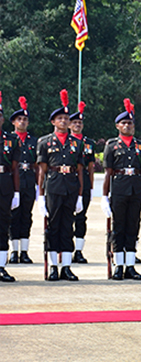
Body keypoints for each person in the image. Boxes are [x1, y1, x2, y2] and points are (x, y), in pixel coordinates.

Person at [37, 89, 84, 281]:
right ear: (53, 122)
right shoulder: (45, 142)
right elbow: (42, 170)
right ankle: (53, 267)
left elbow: (80, 170)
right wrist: (40, 195)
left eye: (66, 118)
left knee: (68, 227)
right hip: (54, 186)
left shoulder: (77, 143)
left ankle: (66, 266)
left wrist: (80, 194)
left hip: (71, 186)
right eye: (60, 119)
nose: (64, 121)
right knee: (53, 227)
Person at [101, 98, 141, 281]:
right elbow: (108, 173)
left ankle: (130, 266)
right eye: (124, 123)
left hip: (135, 189)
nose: (127, 125)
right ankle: (118, 266)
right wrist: (104, 197)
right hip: (119, 189)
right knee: (118, 228)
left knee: (133, 228)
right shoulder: (112, 145)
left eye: (130, 123)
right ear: (117, 126)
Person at [9, 96, 37, 265]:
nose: (23, 122)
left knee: (26, 216)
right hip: (13, 180)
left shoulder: (34, 141)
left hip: (28, 179)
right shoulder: (10, 140)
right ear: (13, 122)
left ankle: (24, 251)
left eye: (25, 119)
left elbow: (37, 164)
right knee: (13, 216)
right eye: (20, 119)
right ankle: (14, 251)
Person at [70, 101, 96, 264]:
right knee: (65, 218)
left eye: (80, 122)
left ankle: (78, 251)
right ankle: (65, 248)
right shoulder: (65, 142)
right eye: (75, 122)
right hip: (66, 180)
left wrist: (91, 187)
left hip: (83, 181)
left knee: (81, 217)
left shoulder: (88, 143)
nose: (78, 125)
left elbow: (91, 167)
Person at [0, 93, 20, 281]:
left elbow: (15, 169)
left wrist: (16, 192)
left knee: (3, 225)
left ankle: (0, 266)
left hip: (4, 184)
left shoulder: (11, 140)